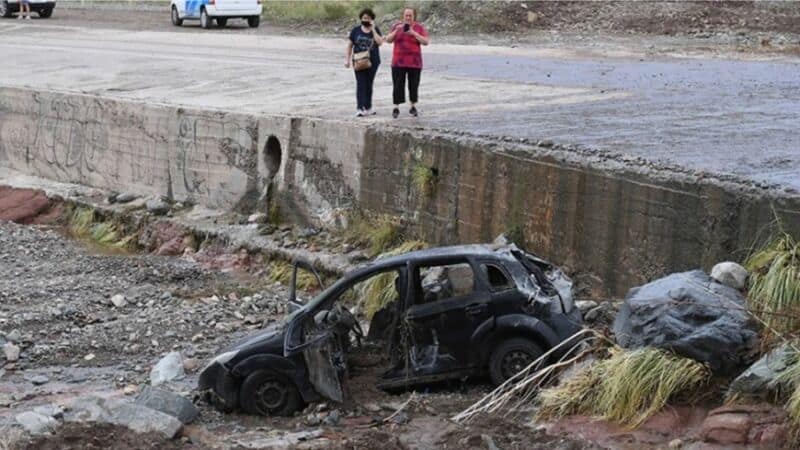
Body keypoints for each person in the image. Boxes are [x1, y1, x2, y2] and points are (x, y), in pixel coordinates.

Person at [385, 7, 429, 118]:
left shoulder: (419, 27)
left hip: (415, 62)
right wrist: (396, 31)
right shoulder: (396, 26)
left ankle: (413, 106)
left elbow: (426, 42)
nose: (408, 17)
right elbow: (388, 40)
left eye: (410, 15)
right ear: (403, 16)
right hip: (398, 62)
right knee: (397, 85)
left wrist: (413, 33)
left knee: (414, 85)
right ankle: (396, 107)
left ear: (414, 16)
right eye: (406, 15)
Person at [345, 8, 383, 117]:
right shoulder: (356, 30)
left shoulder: (375, 29)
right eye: (364, 18)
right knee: (361, 83)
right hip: (359, 60)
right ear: (361, 18)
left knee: (369, 84)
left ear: (372, 19)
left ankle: (368, 107)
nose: (366, 20)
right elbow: (349, 45)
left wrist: (373, 30)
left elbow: (380, 42)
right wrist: (347, 60)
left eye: (368, 18)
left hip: (373, 61)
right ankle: (360, 107)